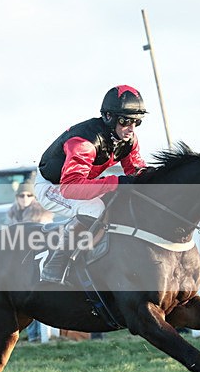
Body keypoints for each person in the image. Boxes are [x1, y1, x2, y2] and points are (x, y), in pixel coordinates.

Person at [35, 85, 149, 284]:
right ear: (108, 117)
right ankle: (55, 264)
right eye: (125, 121)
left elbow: (137, 170)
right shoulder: (84, 143)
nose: (131, 128)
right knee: (94, 208)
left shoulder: (128, 139)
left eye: (137, 122)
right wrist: (117, 182)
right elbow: (70, 188)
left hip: (81, 182)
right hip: (53, 186)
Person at [4, 182, 54, 342]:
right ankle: (32, 336)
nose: (25, 198)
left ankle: (41, 336)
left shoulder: (41, 213)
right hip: (19, 261)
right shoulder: (12, 213)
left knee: (37, 297)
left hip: (40, 259)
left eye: (29, 195)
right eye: (21, 195)